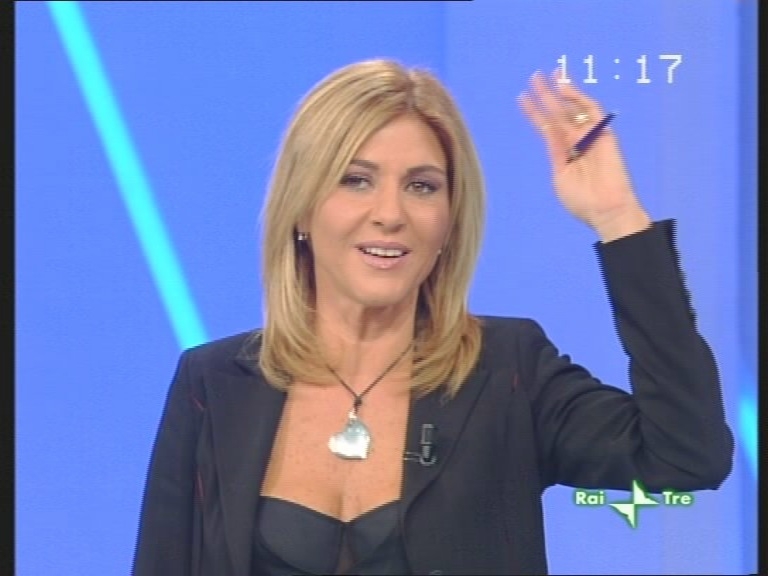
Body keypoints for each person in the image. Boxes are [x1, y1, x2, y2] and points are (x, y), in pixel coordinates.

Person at [131, 59, 733, 576]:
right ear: (302, 209)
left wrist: (618, 219)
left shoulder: (509, 371)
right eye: (356, 180)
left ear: (449, 220)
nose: (390, 214)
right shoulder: (213, 382)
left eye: (421, 186)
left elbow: (685, 455)